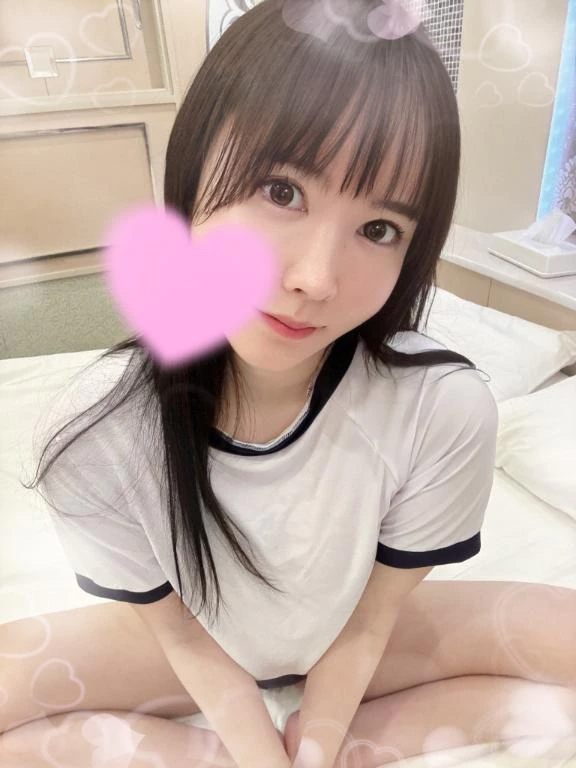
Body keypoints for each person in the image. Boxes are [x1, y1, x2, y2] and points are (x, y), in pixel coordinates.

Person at [2, 1, 575, 767]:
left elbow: (369, 623)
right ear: (194, 169)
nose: (315, 278)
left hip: (351, 630)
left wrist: (323, 740)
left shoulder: (442, 408)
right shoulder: (97, 431)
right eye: (281, 191)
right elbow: (180, 635)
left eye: (379, 229)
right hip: (192, 641)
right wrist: (249, 750)